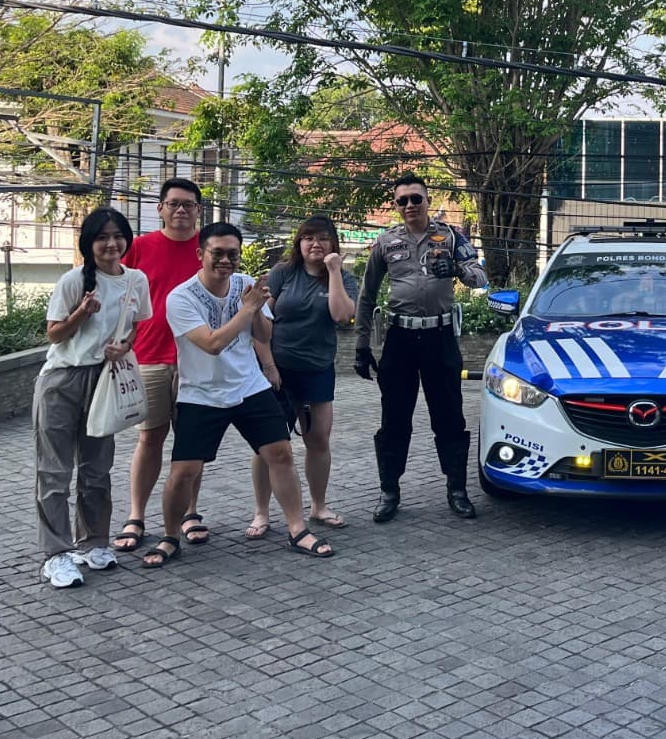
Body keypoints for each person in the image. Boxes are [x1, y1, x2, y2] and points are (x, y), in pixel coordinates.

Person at [142, 222, 334, 567]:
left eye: (233, 253)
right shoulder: (181, 297)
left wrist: (258, 309)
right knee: (184, 470)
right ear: (201, 254)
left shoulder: (246, 284)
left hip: (249, 386)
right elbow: (213, 344)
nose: (226, 260)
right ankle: (170, 536)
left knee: (281, 453)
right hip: (200, 393)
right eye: (218, 253)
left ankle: (297, 528)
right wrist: (247, 309)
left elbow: (263, 333)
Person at [355, 172, 489, 522]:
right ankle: (389, 492)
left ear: (427, 200)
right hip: (400, 339)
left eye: (416, 198)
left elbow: (481, 278)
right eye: (403, 201)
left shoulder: (450, 236)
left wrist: (458, 269)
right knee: (394, 420)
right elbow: (367, 296)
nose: (410, 205)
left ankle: (457, 490)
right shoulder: (386, 242)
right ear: (397, 206)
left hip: (439, 338)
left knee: (449, 417)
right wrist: (360, 345)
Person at [36, 208, 152, 588]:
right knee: (55, 471)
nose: (111, 244)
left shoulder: (136, 280)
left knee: (97, 468)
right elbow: (55, 335)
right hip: (63, 381)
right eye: (102, 237)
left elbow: (134, 327)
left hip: (105, 380)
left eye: (117, 235)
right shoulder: (73, 281)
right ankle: (56, 554)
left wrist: (124, 347)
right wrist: (82, 313)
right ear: (89, 243)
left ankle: (94, 543)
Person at [246, 216, 359, 537]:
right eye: (308, 238)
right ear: (298, 243)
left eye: (323, 238)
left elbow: (341, 315)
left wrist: (334, 271)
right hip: (277, 371)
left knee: (319, 440)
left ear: (333, 245)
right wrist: (268, 366)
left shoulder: (345, 279)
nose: (315, 244)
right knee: (267, 446)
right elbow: (259, 321)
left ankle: (318, 506)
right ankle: (261, 512)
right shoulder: (283, 274)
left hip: (318, 369)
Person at [112, 178, 206, 553]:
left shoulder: (208, 249)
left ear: (199, 210)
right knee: (150, 438)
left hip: (196, 360)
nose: (181, 210)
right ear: (160, 209)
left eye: (188, 204)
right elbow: (115, 289)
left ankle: (190, 512)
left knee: (191, 442)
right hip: (148, 356)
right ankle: (136, 515)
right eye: (174, 204)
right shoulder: (138, 247)